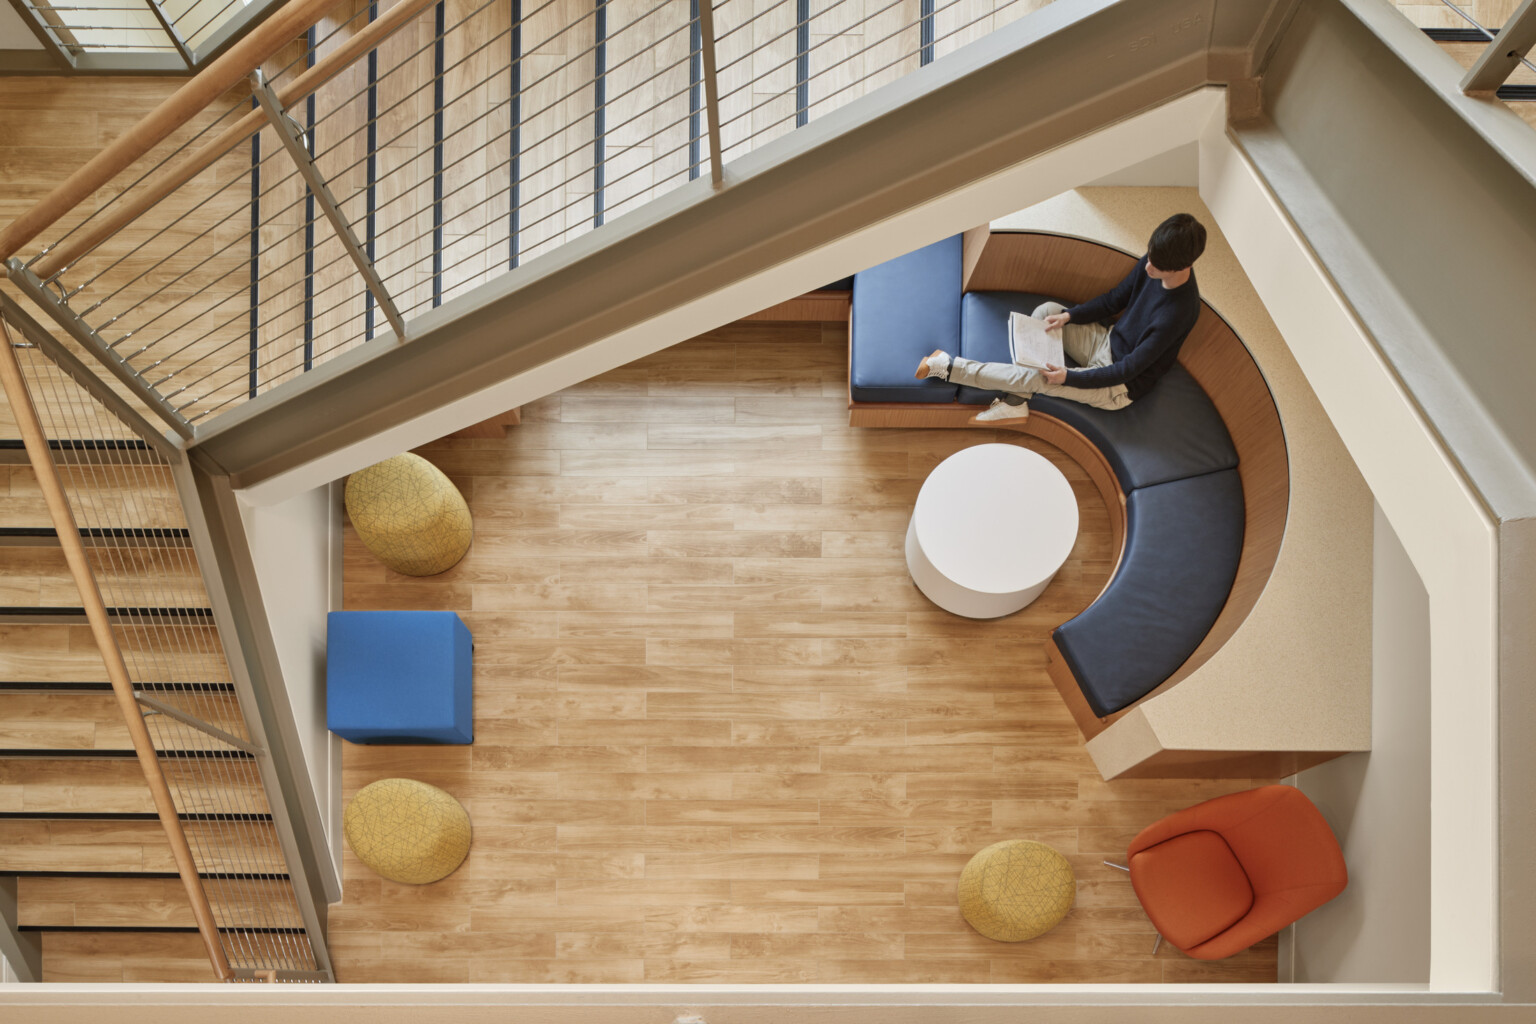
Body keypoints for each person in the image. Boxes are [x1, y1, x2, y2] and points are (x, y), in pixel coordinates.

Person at [915, 213, 1207, 424]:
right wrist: (1070, 316)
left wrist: (1068, 377)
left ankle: (949, 367)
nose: (1148, 267)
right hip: (1106, 342)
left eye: (1158, 266)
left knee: (1038, 378)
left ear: (1182, 267)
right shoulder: (1155, 259)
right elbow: (1114, 299)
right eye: (1150, 257)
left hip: (1118, 386)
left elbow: (1127, 370)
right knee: (1047, 312)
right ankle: (1017, 402)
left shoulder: (1179, 313)